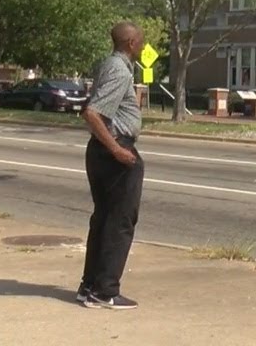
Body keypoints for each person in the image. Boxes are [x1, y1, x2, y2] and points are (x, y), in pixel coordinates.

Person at [77, 21, 146, 310]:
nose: (143, 45)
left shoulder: (108, 65)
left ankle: (90, 286)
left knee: (104, 218)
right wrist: (117, 150)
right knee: (120, 221)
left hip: (100, 150)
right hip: (114, 152)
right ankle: (105, 291)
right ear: (131, 43)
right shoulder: (119, 70)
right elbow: (91, 113)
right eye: (141, 40)